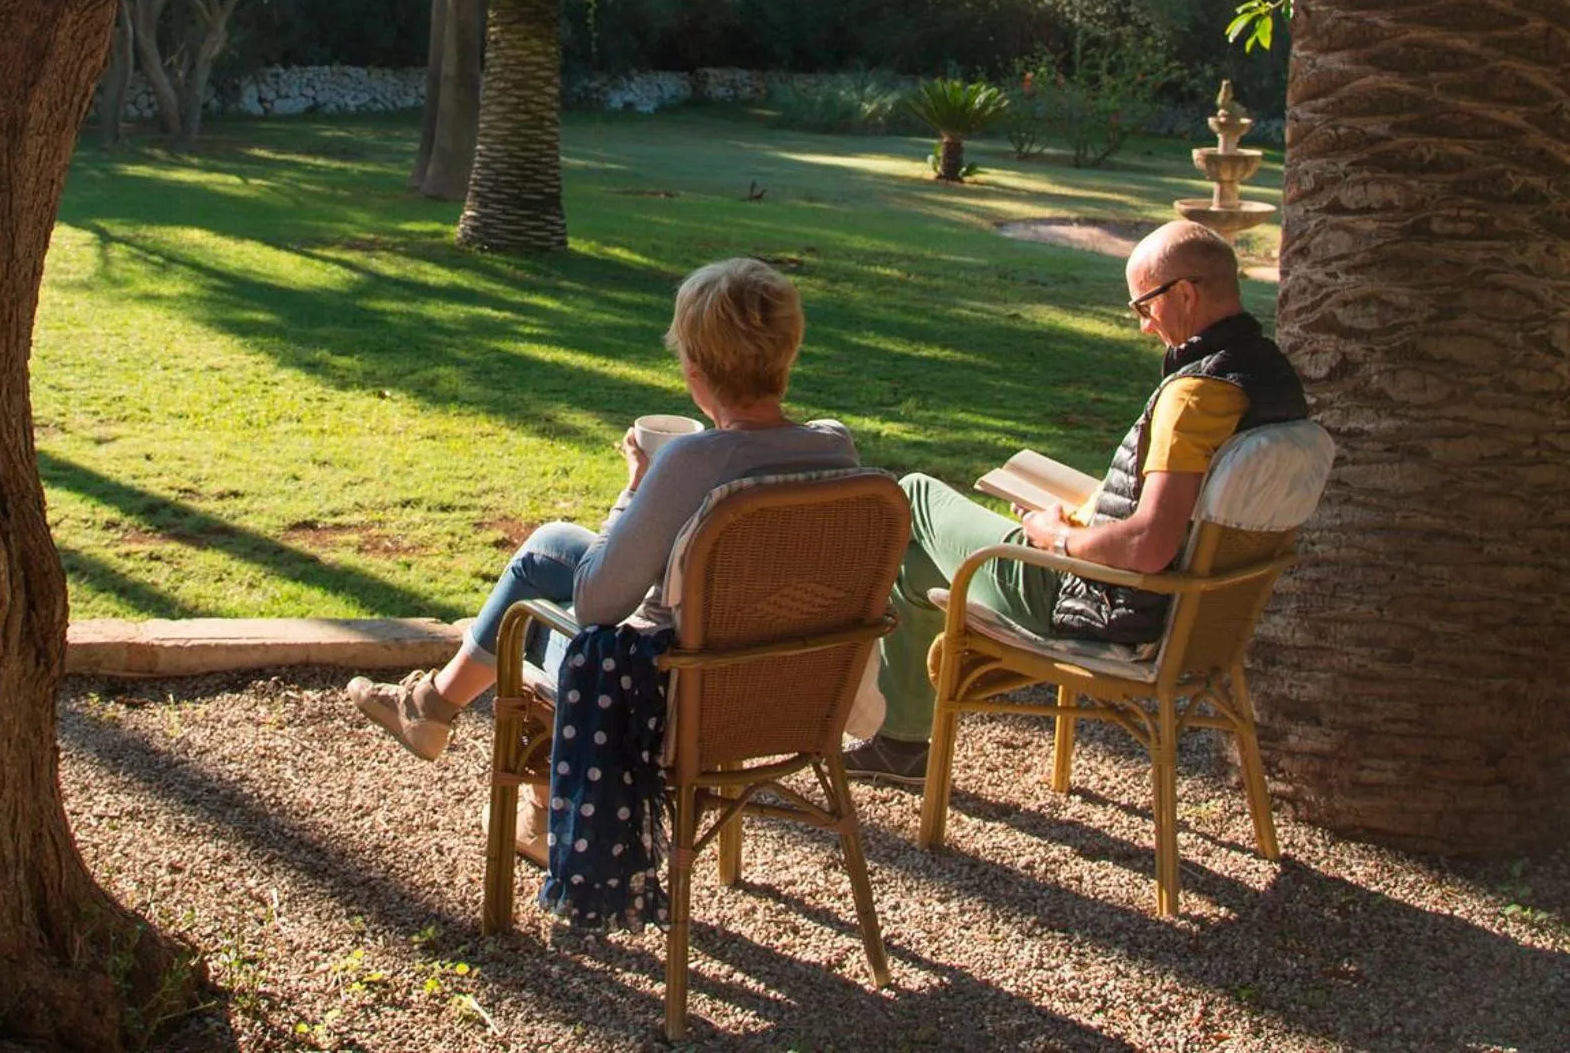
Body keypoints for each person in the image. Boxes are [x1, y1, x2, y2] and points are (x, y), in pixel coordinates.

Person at [843, 220, 1307, 788]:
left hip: (1100, 603)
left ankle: (837, 681)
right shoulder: (1268, 375)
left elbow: (1150, 544)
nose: (1144, 325)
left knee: (914, 494)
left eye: (1144, 306)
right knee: (914, 565)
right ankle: (900, 746)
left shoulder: (1194, 397)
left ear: (1185, 294)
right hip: (1184, 612)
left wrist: (1057, 537)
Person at [346, 257, 859, 764]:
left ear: (693, 371)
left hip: (668, 697)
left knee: (526, 619)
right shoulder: (835, 447)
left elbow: (597, 605)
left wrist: (636, 487)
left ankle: (445, 719)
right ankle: (433, 711)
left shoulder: (691, 461)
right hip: (795, 688)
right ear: (789, 352)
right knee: (550, 547)